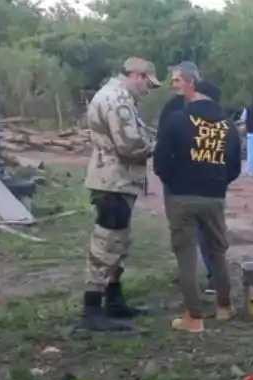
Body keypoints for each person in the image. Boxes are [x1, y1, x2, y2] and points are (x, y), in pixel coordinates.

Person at [153, 61, 241, 333]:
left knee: (186, 254)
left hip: (182, 196)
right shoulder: (228, 127)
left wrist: (174, 180)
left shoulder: (177, 120)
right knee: (218, 251)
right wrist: (215, 182)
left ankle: (194, 317)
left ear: (195, 92)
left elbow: (159, 163)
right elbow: (234, 168)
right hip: (214, 197)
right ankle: (224, 306)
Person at [79, 56, 159, 332]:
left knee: (119, 241)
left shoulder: (116, 96)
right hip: (113, 180)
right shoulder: (117, 100)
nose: (149, 89)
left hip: (115, 179)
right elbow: (129, 145)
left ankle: (114, 299)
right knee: (107, 243)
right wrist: (157, 146)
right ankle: (92, 307)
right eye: (148, 82)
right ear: (137, 75)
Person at [157, 62, 217, 293]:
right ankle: (187, 275)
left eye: (176, 80)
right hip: (177, 180)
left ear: (191, 81)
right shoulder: (172, 107)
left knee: (206, 230)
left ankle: (213, 275)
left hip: (203, 180)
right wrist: (166, 175)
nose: (173, 85)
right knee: (181, 231)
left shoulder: (209, 105)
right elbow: (163, 145)